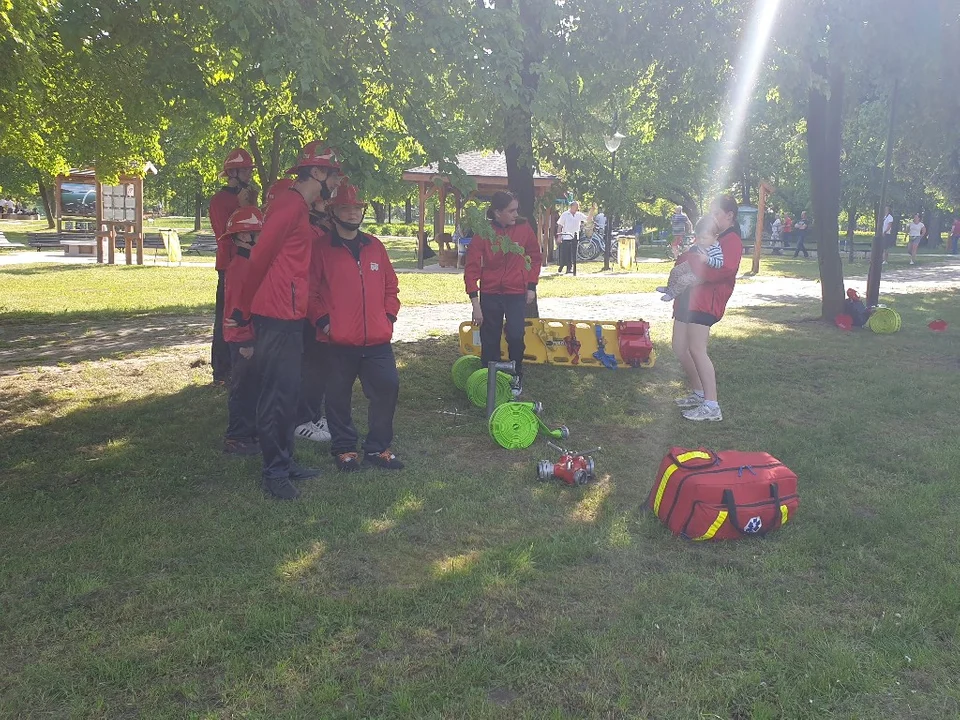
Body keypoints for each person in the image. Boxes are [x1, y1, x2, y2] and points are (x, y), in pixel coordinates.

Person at [238, 140, 344, 500]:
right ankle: (274, 473)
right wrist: (242, 311)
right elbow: (260, 258)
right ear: (317, 172)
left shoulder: (298, 206)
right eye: (333, 175)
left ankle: (285, 461)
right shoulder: (287, 205)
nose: (336, 184)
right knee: (276, 396)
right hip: (276, 314)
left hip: (290, 313)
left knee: (288, 393)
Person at [309, 183, 404, 472]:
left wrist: (388, 317)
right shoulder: (321, 249)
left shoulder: (374, 246)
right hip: (337, 342)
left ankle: (377, 448)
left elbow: (391, 286)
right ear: (333, 211)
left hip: (377, 340)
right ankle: (344, 448)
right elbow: (309, 292)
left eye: (357, 208)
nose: (352, 213)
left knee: (387, 387)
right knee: (338, 396)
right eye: (345, 208)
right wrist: (325, 323)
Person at [672, 194, 743, 422]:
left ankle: (711, 404)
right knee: (679, 347)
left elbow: (725, 269)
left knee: (697, 349)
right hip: (688, 297)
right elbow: (687, 258)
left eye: (716, 214)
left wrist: (696, 267)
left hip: (705, 301)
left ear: (729, 216)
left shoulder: (731, 240)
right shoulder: (712, 236)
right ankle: (699, 392)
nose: (712, 218)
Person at [465, 191, 542, 396]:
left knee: (516, 335)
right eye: (511, 210)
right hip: (490, 292)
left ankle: (515, 375)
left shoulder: (524, 228)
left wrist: (531, 286)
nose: (516, 214)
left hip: (516, 292)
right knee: (489, 338)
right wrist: (475, 304)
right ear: (497, 213)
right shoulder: (483, 232)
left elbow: (535, 257)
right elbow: (471, 268)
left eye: (516, 209)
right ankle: (489, 380)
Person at [209, 148, 259, 385]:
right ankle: (221, 370)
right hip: (229, 265)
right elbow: (224, 235)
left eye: (250, 169)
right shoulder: (220, 200)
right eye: (246, 169)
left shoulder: (247, 195)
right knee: (226, 318)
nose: (250, 173)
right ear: (234, 172)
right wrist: (240, 207)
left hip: (250, 264)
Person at [220, 205, 264, 457]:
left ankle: (250, 432)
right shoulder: (240, 267)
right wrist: (245, 340)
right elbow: (237, 308)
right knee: (243, 389)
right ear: (245, 236)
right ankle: (237, 437)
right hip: (243, 339)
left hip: (250, 336)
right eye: (259, 232)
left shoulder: (249, 263)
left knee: (253, 387)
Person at [657, 216, 724, 301]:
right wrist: (689, 249)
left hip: (701, 272)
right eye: (699, 238)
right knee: (675, 271)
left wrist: (707, 259)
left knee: (683, 280)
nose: (702, 241)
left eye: (705, 238)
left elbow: (720, 262)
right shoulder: (702, 242)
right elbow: (696, 246)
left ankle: (672, 294)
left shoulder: (714, 248)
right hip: (691, 264)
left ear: (715, 237)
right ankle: (669, 288)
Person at [556, 201, 589, 273]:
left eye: (578, 206)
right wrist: (559, 236)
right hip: (566, 236)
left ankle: (569, 268)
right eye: (576, 206)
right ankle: (562, 265)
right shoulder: (565, 214)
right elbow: (560, 225)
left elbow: (588, 219)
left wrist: (592, 210)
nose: (577, 208)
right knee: (565, 253)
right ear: (572, 206)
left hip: (575, 237)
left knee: (572, 253)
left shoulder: (579, 215)